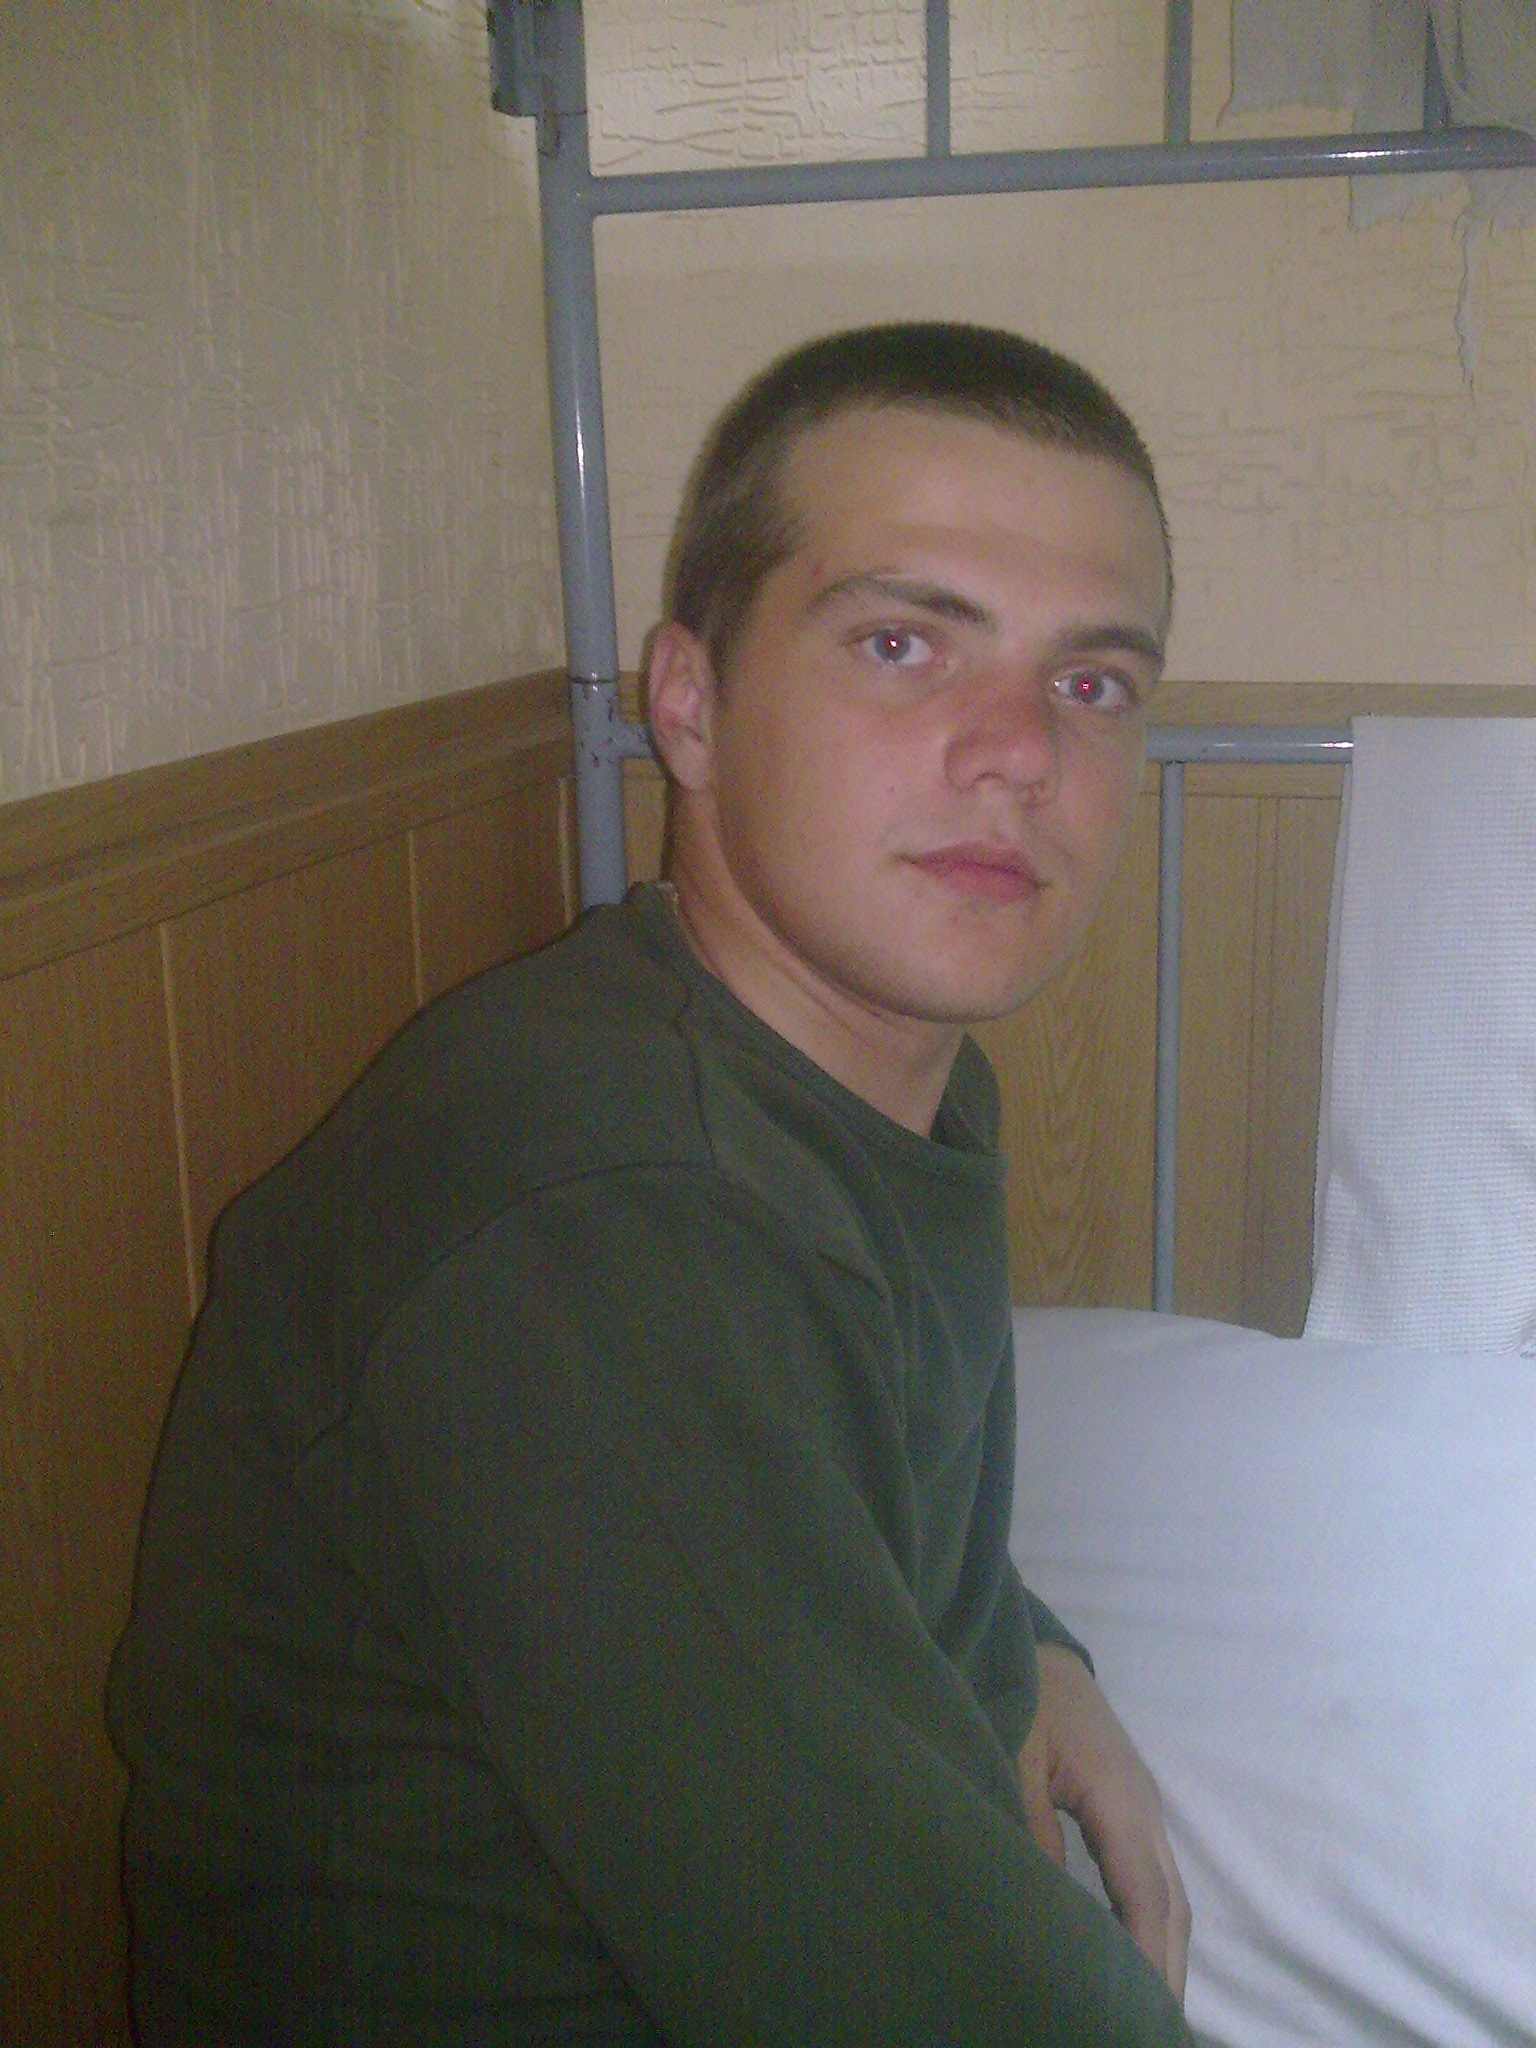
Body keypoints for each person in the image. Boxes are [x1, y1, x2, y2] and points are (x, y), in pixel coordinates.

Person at [109, 323, 1194, 2044]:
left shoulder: (872, 1082)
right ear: (686, 705)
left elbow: (861, 1490)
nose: (1019, 751)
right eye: (903, 644)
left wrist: (1035, 1649)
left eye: (1093, 684)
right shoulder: (607, 1211)